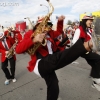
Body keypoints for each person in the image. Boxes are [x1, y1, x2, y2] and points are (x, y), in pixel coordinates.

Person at [15, 15, 93, 100]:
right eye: (44, 25)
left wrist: (60, 21)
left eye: (48, 24)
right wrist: (33, 40)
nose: (47, 27)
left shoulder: (50, 33)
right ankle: (87, 45)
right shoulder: (31, 34)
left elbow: (59, 31)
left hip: (50, 60)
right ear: (38, 25)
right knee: (61, 56)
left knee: (54, 84)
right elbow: (18, 50)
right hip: (39, 63)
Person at [72, 13, 100, 92]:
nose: (91, 22)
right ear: (84, 21)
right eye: (89, 20)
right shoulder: (79, 30)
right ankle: (96, 79)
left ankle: (94, 81)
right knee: (98, 59)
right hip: (83, 51)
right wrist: (83, 47)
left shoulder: (90, 30)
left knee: (95, 63)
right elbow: (74, 42)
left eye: (92, 20)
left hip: (90, 50)